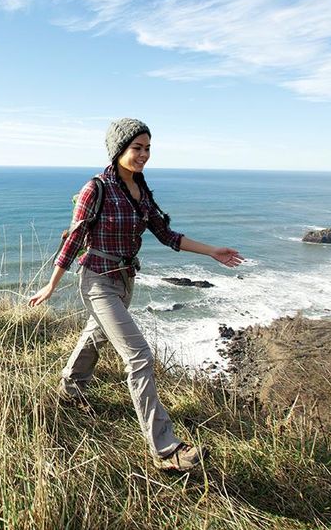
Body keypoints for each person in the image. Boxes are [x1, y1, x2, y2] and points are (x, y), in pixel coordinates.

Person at [29, 118, 243, 472]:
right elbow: (74, 239)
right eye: (136, 148)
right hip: (97, 280)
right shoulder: (95, 189)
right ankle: (165, 449)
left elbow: (167, 235)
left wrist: (212, 251)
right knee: (139, 355)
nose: (143, 155)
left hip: (126, 280)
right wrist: (52, 284)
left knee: (96, 335)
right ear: (118, 150)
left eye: (147, 149)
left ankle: (69, 388)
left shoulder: (142, 191)